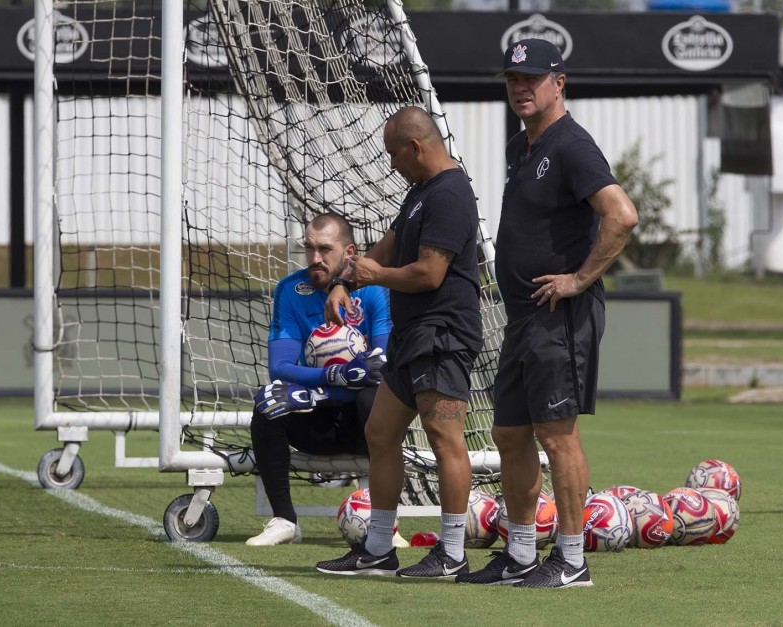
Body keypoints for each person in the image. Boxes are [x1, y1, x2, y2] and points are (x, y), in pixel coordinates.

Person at [457, 39, 639, 588]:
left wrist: (580, 278)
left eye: (532, 78)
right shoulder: (523, 144)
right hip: (523, 319)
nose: (520, 88)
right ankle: (518, 554)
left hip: (560, 317)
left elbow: (622, 216)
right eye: (513, 78)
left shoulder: (571, 145)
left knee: (558, 436)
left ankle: (572, 560)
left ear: (560, 83)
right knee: (509, 435)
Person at [314, 106, 483, 578]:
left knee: (444, 438)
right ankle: (378, 548)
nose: (391, 163)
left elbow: (430, 273)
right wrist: (344, 282)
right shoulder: (421, 193)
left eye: (394, 153)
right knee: (380, 432)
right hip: (413, 336)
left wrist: (376, 275)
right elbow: (385, 249)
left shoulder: (450, 193)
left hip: (442, 335)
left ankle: (451, 553)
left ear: (416, 147)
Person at [247, 212, 394, 547]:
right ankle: (284, 520)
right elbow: (280, 366)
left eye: (325, 249)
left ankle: (383, 519)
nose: (315, 258)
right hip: (319, 417)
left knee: (375, 398)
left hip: (364, 422)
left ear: (349, 252)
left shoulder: (373, 290)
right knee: (268, 403)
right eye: (309, 248)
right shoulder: (290, 290)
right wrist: (333, 376)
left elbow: (382, 364)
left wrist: (350, 378)